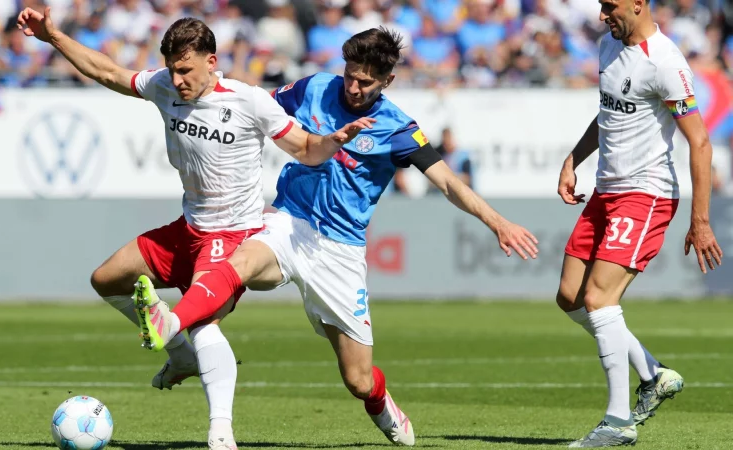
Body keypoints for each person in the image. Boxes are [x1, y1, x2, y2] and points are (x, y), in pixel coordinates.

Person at [132, 27, 539, 446]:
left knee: (358, 379)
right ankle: (176, 326)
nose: (354, 87)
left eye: (366, 82)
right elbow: (253, 114)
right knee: (240, 263)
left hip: (340, 251)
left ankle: (382, 403)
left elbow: (449, 184)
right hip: (289, 220)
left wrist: (497, 222)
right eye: (350, 75)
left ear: (387, 81)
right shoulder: (315, 88)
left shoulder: (397, 128)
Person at [16, 8, 375, 450]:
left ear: (211, 60)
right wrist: (52, 36)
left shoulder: (248, 100)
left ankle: (220, 432)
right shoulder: (164, 85)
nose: (178, 79)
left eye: (186, 69)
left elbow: (304, 149)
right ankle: (180, 357)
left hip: (233, 235)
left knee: (202, 324)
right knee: (106, 279)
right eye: (172, 69)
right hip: (190, 227)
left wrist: (332, 141)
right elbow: (107, 71)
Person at [555, 0, 723, 447]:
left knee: (598, 297)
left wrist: (701, 220)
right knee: (570, 296)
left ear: (638, 4)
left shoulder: (664, 61)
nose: (602, 15)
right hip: (606, 190)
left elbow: (700, 142)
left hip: (644, 194)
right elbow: (609, 112)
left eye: (610, 6)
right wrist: (574, 158)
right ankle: (653, 374)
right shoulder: (609, 48)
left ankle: (618, 421)